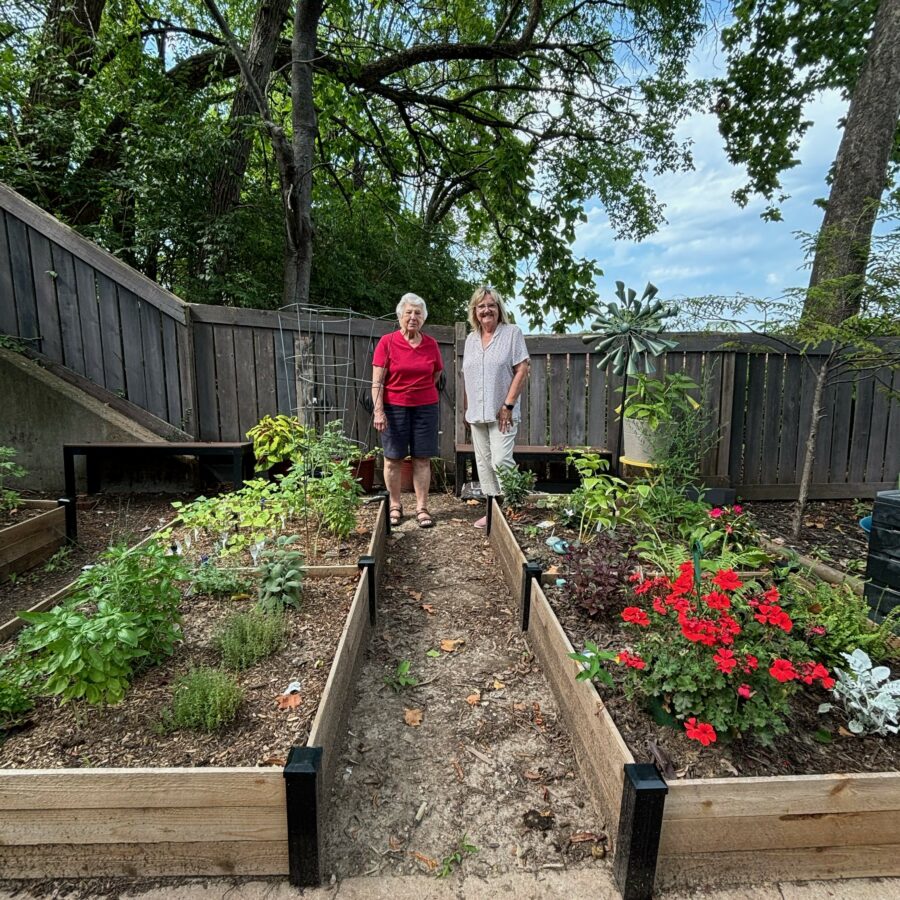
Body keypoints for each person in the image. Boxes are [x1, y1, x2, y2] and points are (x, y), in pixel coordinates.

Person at [372, 293, 444, 528]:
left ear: (423, 318)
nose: (413, 317)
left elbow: (435, 375)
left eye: (418, 313)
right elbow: (378, 382)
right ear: (400, 316)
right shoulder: (387, 342)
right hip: (394, 408)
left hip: (425, 408)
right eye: (409, 312)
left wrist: (419, 393)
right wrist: (379, 411)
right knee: (393, 458)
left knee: (422, 458)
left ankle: (422, 508)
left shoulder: (431, 344)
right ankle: (395, 505)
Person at [462, 286, 530, 528]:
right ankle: (493, 511)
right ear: (475, 311)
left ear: (499, 309)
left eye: (491, 305)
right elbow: (468, 376)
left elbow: (522, 369)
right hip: (476, 414)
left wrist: (508, 405)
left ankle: (514, 506)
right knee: (483, 462)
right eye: (481, 306)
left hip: (503, 412)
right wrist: (466, 410)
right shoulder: (470, 339)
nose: (486, 310)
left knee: (501, 460)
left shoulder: (512, 333)